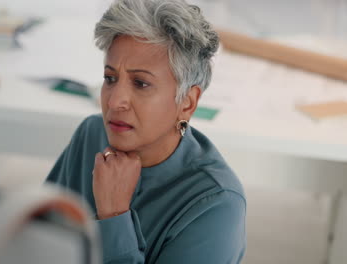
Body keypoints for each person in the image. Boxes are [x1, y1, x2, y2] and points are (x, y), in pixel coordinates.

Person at [46, 0, 246, 263]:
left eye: (140, 83)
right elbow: (39, 238)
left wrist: (114, 215)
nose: (115, 101)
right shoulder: (91, 134)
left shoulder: (217, 204)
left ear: (187, 102)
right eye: (110, 78)